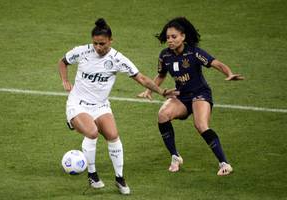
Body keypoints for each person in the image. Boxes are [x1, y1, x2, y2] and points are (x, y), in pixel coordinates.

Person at [58, 18, 178, 195]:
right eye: (96, 44)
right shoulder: (82, 52)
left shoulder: (117, 59)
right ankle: (92, 174)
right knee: (91, 132)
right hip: (78, 103)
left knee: (113, 136)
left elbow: (141, 78)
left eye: (103, 44)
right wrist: (65, 80)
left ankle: (119, 178)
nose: (99, 47)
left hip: (100, 105)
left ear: (111, 41)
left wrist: (161, 91)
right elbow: (63, 62)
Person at [138, 17, 244, 176]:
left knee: (201, 125)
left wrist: (229, 73)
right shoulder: (165, 55)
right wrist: (150, 90)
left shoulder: (193, 52)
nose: (170, 40)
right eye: (168, 37)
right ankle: (175, 156)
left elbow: (216, 63)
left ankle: (224, 163)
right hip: (182, 95)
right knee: (162, 115)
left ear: (183, 37)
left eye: (174, 37)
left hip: (200, 93)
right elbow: (161, 75)